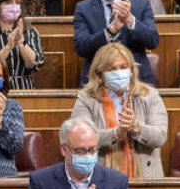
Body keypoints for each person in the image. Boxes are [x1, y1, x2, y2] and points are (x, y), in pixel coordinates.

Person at [71, 42, 168, 178]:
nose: (118, 72)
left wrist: (137, 128)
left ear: (131, 70)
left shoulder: (150, 95)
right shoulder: (86, 98)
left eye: (123, 67)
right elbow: (80, 137)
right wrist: (116, 133)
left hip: (145, 177)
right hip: (100, 178)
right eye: (111, 69)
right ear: (100, 73)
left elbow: (160, 137)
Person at [74, 0, 159, 85]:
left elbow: (153, 41)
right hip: (97, 79)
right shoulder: (83, 8)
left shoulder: (141, 5)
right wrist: (110, 30)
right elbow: (81, 47)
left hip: (137, 79)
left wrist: (130, 20)